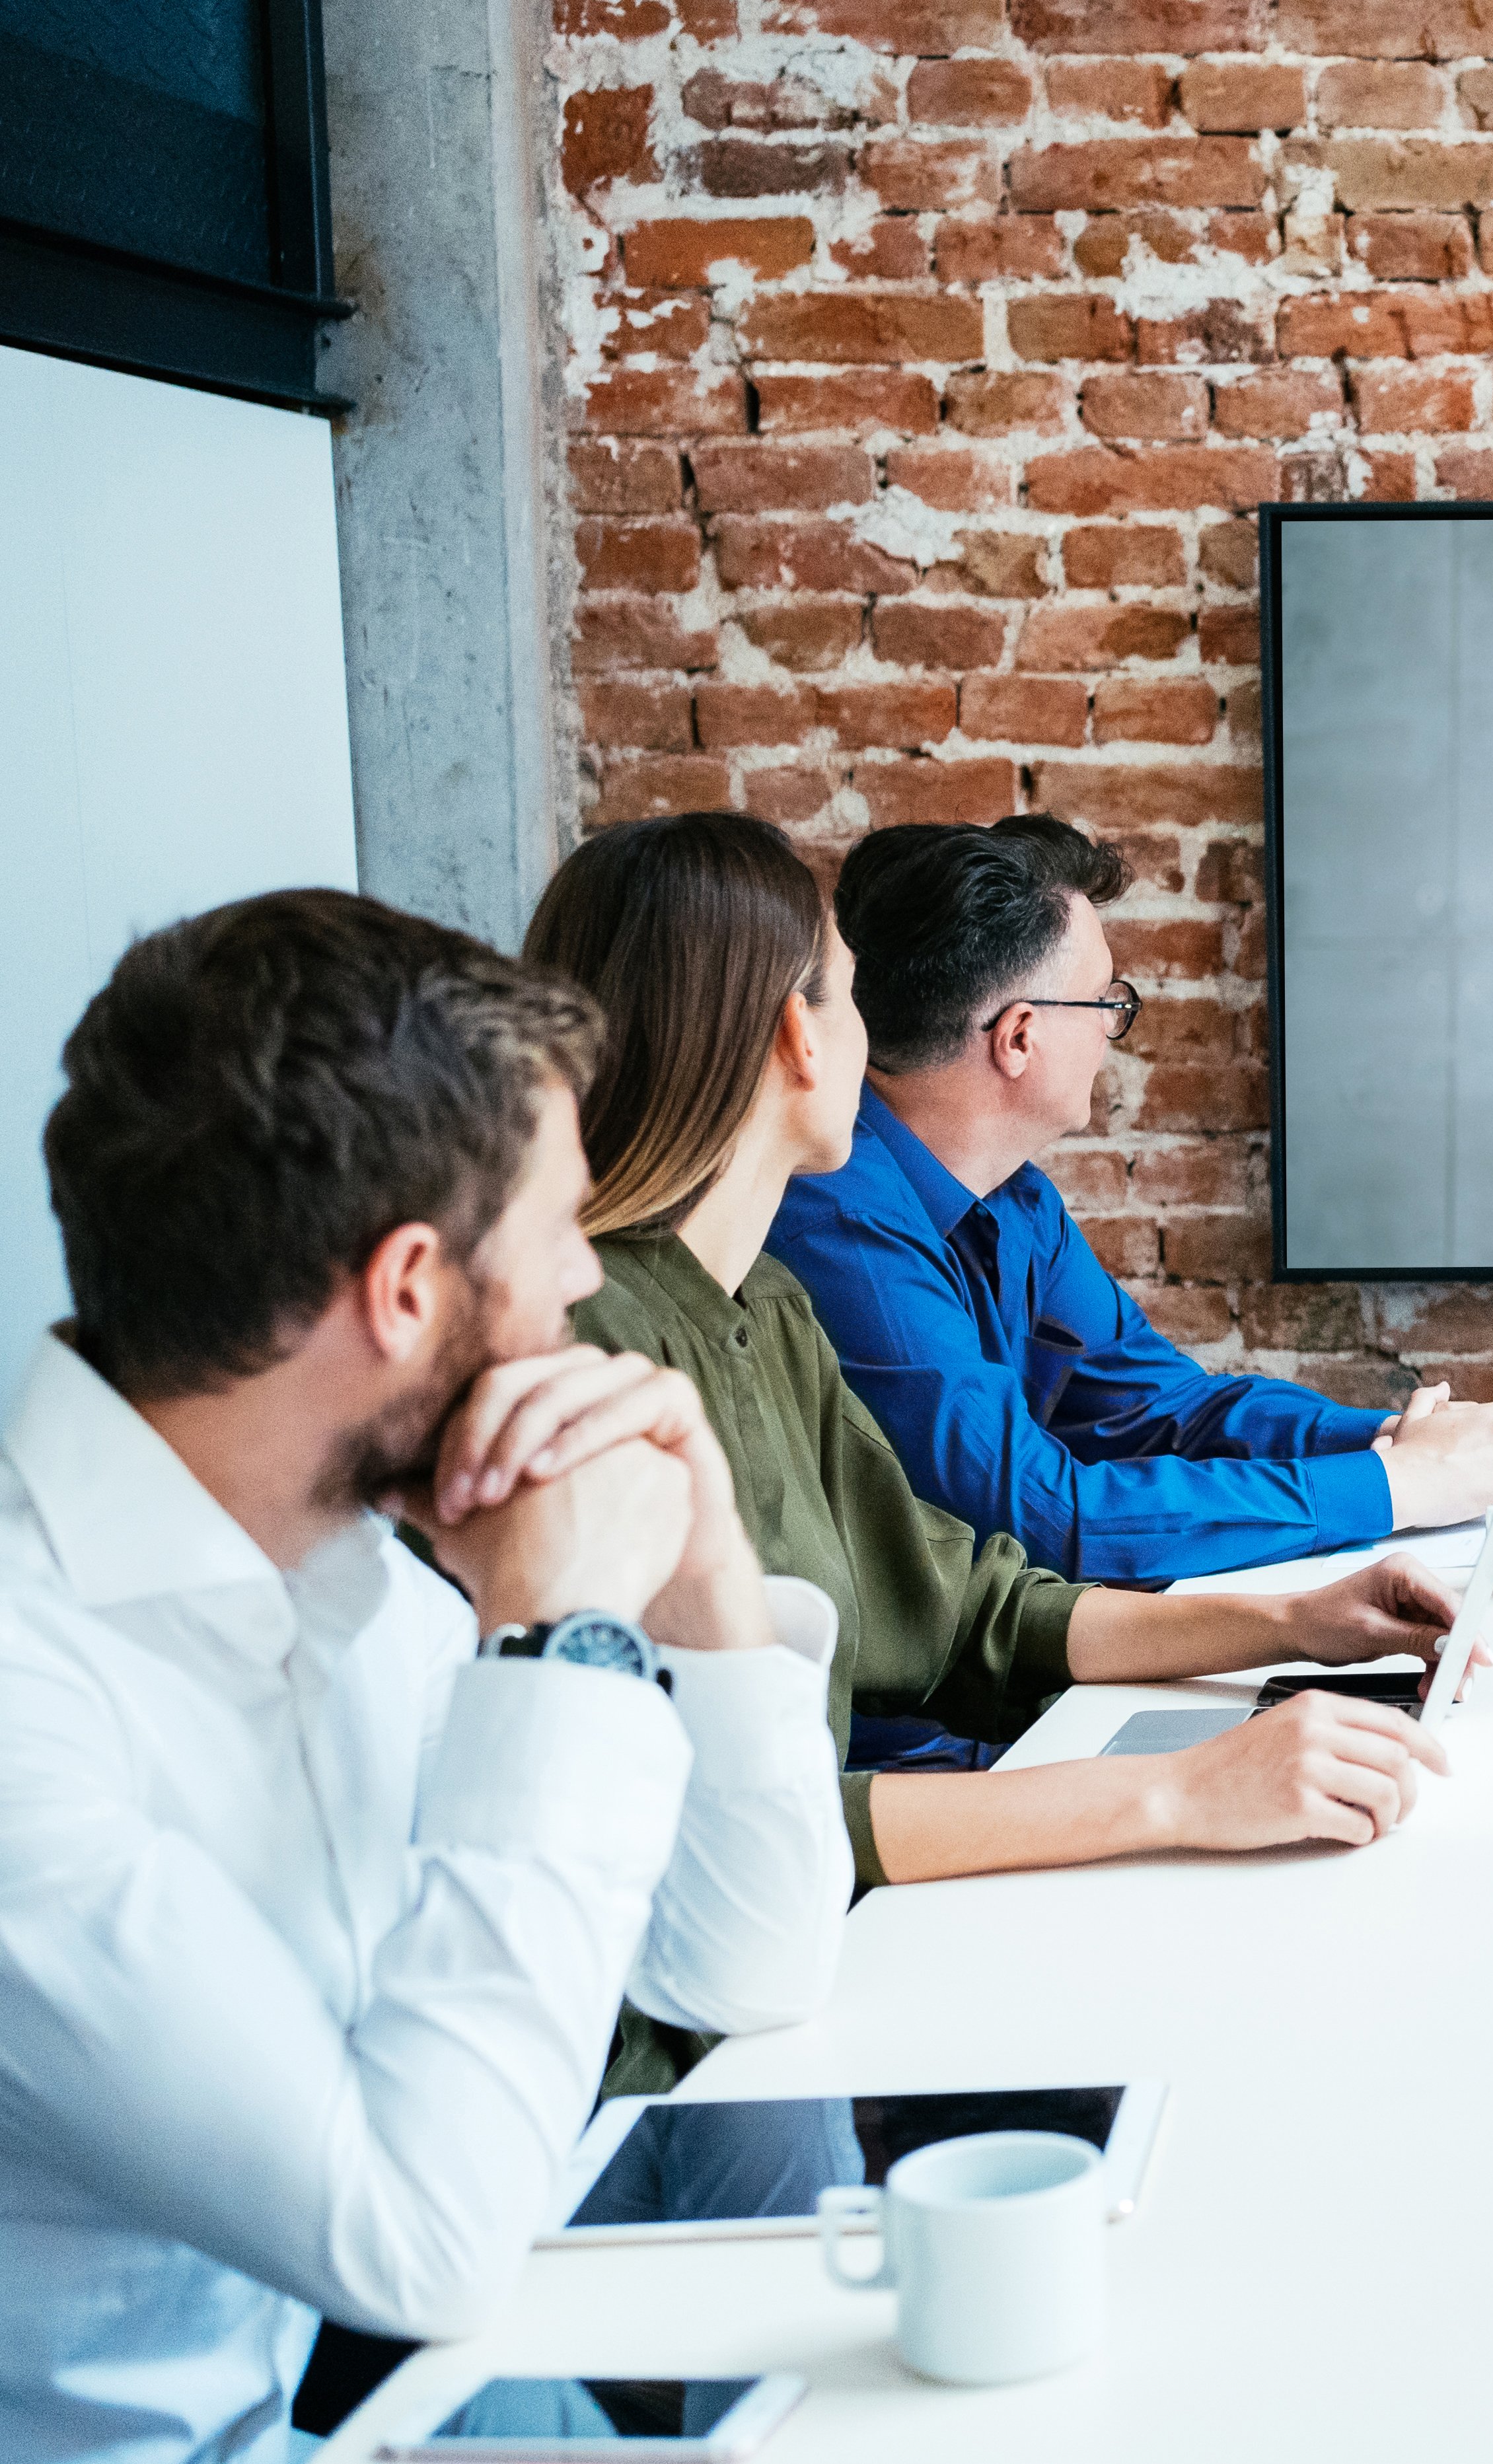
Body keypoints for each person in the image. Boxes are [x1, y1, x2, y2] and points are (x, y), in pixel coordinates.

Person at [0, 892, 849, 2463]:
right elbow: (427, 2237)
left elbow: (746, 1966)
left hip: (378, 2393)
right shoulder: (30, 1703)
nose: (590, 1283)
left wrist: (708, 1571)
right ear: (408, 1287)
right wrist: (558, 1642)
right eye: (558, 1229)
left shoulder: (363, 1564)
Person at [521, 813, 1469, 1901]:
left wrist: (1296, 1622)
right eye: (845, 994)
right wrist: (1178, 1793)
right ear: (799, 1036)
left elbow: (968, 1606)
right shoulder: (591, 1350)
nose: (877, 1040)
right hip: (752, 1954)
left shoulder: (764, 1302)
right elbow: (696, 1835)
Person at [763, 815, 1493, 1584]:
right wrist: (1399, 1487)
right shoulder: (839, 1222)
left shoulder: (1016, 1199)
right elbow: (1044, 1517)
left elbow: (1164, 1409)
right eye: (1106, 1000)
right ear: (1020, 1038)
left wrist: (1389, 1438)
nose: (1114, 1028)